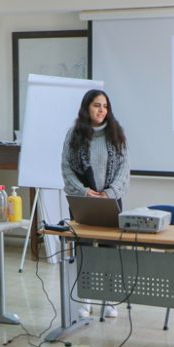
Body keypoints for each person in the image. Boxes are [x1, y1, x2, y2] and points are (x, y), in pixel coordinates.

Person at [61, 89, 129, 319]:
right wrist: (83, 191)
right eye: (96, 105)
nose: (102, 110)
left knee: (111, 251)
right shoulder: (74, 135)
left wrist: (109, 193)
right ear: (86, 108)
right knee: (85, 251)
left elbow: (124, 170)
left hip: (110, 201)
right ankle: (86, 299)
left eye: (105, 106)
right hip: (84, 201)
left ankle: (109, 300)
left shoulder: (116, 134)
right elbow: (66, 168)